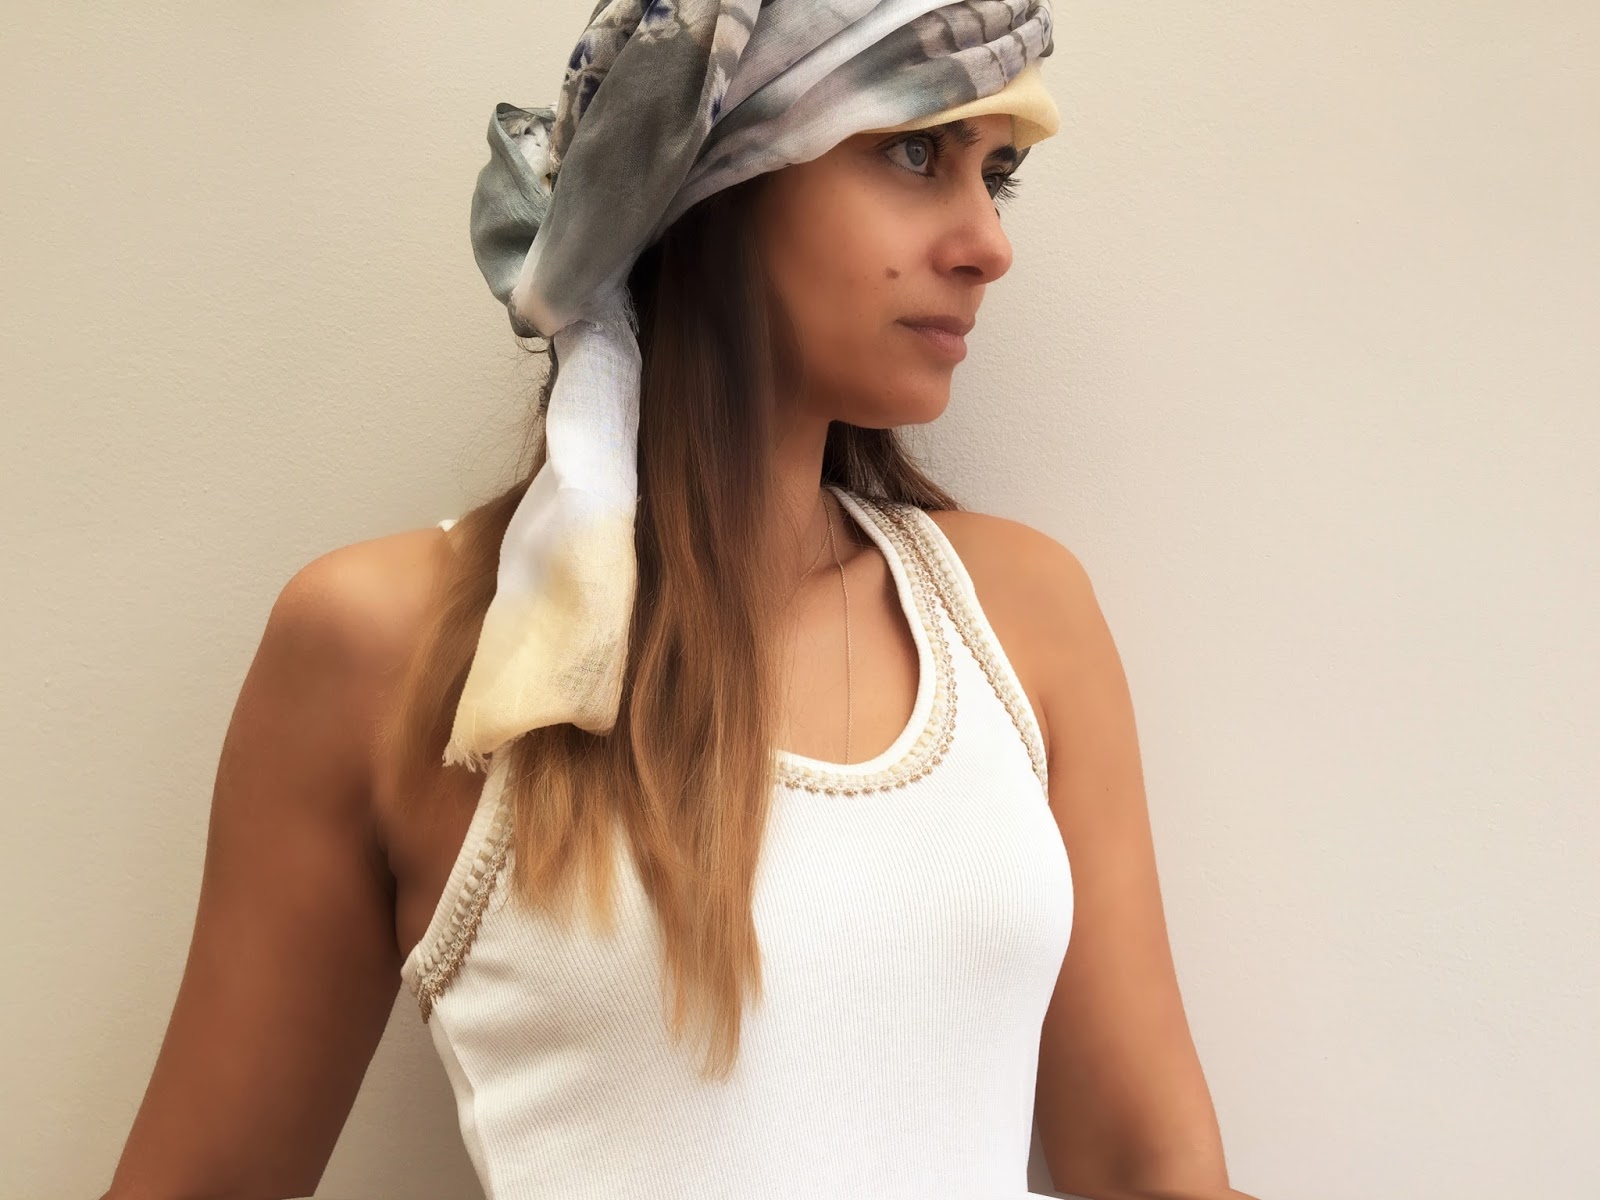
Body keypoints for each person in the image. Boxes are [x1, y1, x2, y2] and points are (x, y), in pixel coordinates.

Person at [102, 2, 1260, 1198]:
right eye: (915, 153)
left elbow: (1151, 1172)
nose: (986, 243)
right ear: (704, 176)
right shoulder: (392, 644)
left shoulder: (1019, 617)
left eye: (995, 176)